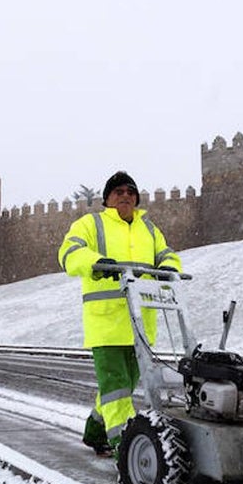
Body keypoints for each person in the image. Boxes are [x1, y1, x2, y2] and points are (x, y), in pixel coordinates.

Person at [58, 171, 182, 456]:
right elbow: (69, 252)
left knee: (122, 386)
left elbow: (165, 253)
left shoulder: (149, 229)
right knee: (116, 388)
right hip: (106, 323)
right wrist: (95, 262)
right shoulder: (91, 224)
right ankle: (126, 449)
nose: (125, 196)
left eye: (130, 192)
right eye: (118, 192)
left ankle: (94, 431)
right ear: (107, 199)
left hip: (142, 325)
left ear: (136, 199)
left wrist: (170, 268)